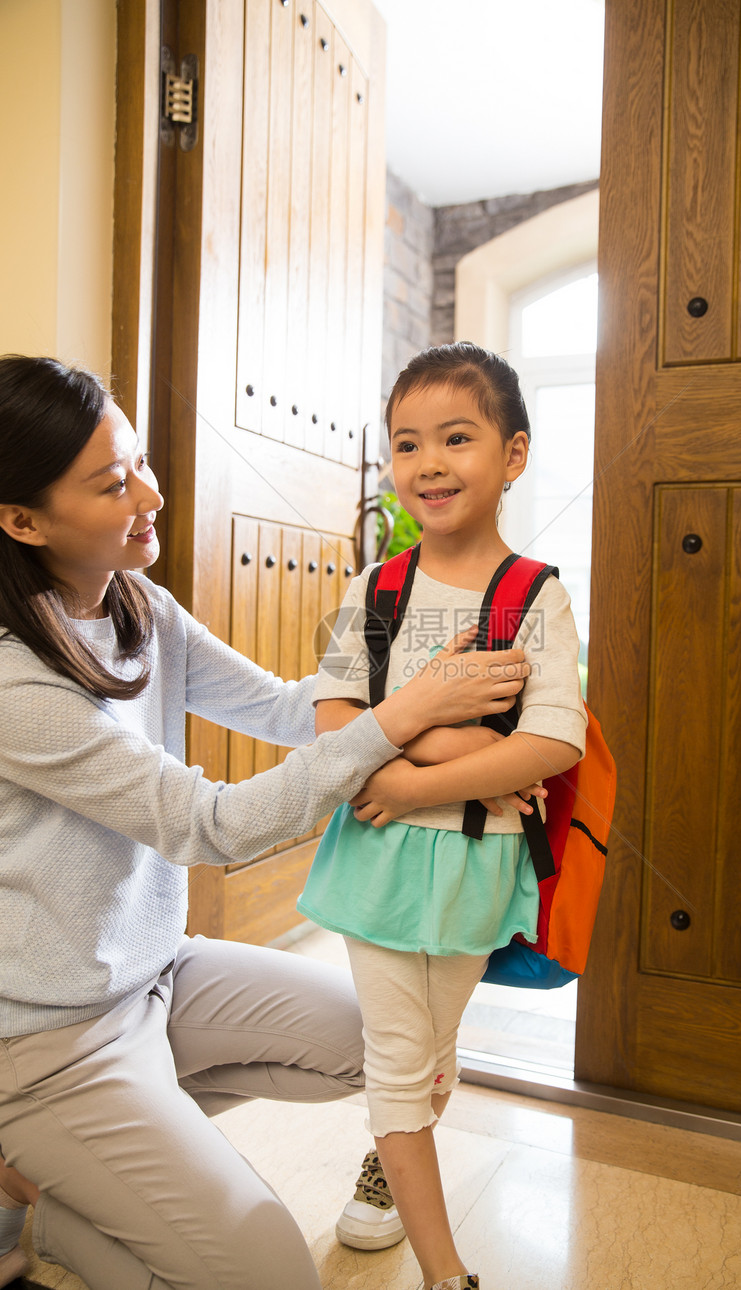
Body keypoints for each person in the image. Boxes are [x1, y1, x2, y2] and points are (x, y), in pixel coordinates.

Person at [0, 354, 533, 1290]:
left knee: (392, 1043)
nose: (152, 494)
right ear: (21, 520)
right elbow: (210, 825)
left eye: (142, 461)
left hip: (160, 976)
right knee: (272, 1277)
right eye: (113, 482)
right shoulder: (14, 684)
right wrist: (405, 720)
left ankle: (86, 1171)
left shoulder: (139, 607)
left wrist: (453, 735)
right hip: (46, 1044)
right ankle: (53, 1207)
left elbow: (295, 710)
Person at [297, 342, 587, 1290]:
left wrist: (411, 768)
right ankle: (445, 1271)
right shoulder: (374, 593)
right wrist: (452, 746)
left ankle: (392, 1158)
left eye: (455, 439)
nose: (427, 463)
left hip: (475, 863)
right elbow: (337, 722)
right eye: (407, 443)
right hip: (374, 859)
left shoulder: (534, 596)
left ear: (513, 453)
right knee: (397, 1054)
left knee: (433, 1046)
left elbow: (554, 741)